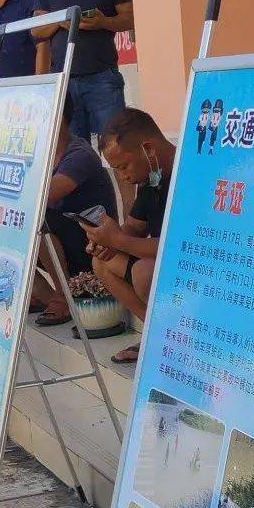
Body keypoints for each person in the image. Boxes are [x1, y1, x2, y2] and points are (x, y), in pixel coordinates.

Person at [86, 107, 177, 364]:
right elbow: (135, 228)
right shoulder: (151, 177)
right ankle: (156, 334)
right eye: (116, 170)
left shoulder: (189, 175)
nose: (124, 176)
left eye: (124, 166)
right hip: (164, 264)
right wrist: (106, 241)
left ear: (147, 149)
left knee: (143, 272)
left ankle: (180, 341)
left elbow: (179, 247)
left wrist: (119, 241)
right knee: (102, 261)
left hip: (195, 271)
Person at [33, 0, 133, 141]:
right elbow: (36, 31)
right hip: (64, 79)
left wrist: (103, 22)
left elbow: (129, 18)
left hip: (102, 77)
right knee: (75, 149)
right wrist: (60, 20)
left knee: (116, 142)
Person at [32, 92, 118, 325]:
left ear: (57, 118)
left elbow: (42, 195)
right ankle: (41, 293)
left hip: (90, 245)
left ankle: (64, 296)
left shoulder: (79, 153)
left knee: (33, 219)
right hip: (61, 242)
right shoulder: (39, 154)